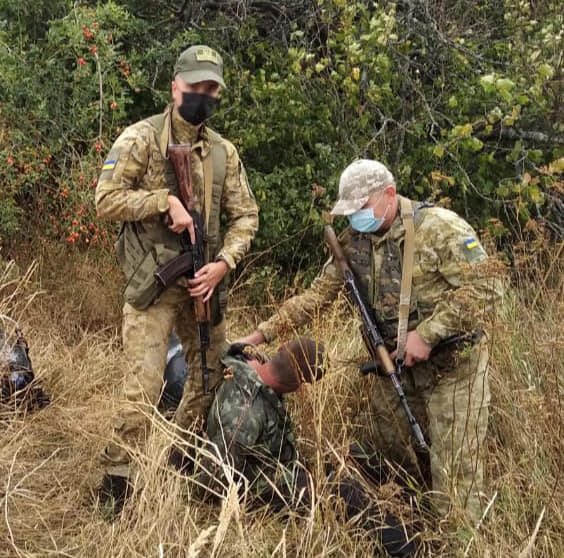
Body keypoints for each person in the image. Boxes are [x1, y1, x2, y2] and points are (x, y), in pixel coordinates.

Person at [236, 159, 504, 522]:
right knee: (386, 452)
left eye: (361, 209)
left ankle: (459, 537)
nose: (354, 219)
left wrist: (426, 334)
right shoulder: (354, 241)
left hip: (453, 366)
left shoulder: (441, 229)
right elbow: (317, 296)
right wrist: (260, 333)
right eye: (349, 212)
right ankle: (405, 523)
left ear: (389, 195)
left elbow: (487, 290)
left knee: (456, 474)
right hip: (394, 368)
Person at [94, 45, 259, 512]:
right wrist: (161, 200)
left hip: (203, 283)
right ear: (175, 86)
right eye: (195, 87)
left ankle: (179, 460)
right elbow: (105, 200)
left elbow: (246, 216)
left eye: (211, 90)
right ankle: (117, 483)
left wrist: (223, 262)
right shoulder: (140, 140)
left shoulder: (223, 153)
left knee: (209, 377)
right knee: (143, 389)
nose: (202, 97)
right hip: (153, 283)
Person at [201, 338, 417, 557]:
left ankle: (414, 501)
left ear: (281, 348)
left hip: (280, 461)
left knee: (355, 452)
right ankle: (408, 551)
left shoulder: (255, 364)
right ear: (299, 385)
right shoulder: (245, 413)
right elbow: (212, 478)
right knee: (345, 493)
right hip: (258, 484)